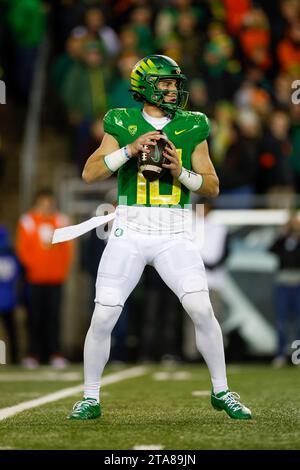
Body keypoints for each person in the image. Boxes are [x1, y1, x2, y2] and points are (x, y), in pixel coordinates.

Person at [66, 55, 251, 420]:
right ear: (146, 86)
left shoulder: (193, 125)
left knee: (200, 308)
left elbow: (212, 186)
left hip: (174, 229)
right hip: (129, 227)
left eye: (174, 83)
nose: (173, 89)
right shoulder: (121, 120)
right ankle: (89, 397)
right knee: (104, 314)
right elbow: (89, 173)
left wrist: (181, 172)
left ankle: (222, 391)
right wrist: (130, 149)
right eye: (166, 83)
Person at [16, 188, 73, 368]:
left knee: (54, 317)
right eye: (43, 203)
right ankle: (33, 353)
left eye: (49, 203)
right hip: (34, 279)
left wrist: (60, 271)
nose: (46, 206)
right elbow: (23, 250)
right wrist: (34, 269)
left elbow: (67, 250)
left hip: (55, 279)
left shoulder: (61, 220)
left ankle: (55, 353)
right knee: (34, 318)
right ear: (37, 202)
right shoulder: (27, 221)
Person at [269, 214, 300, 367]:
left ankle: (297, 355)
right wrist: (284, 232)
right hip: (282, 283)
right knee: (281, 320)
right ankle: (280, 354)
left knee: (298, 321)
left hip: (298, 283)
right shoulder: (283, 241)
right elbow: (271, 248)